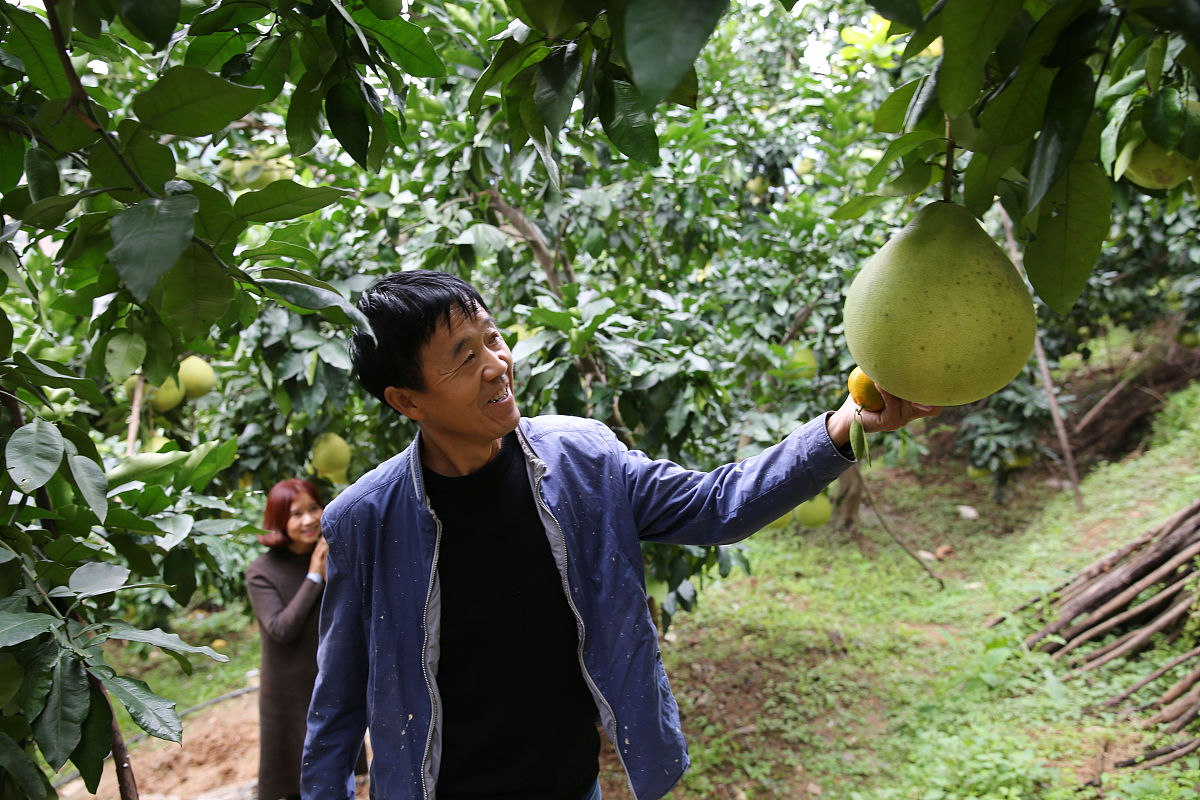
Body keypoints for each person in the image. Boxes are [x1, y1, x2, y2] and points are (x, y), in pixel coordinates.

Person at [300, 270, 940, 800]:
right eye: (464, 357)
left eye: (492, 338)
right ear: (407, 401)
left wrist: (843, 425)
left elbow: (719, 505)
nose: (497, 364)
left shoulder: (583, 460)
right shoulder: (364, 520)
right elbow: (336, 707)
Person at [246, 478, 368, 800]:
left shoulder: (334, 552)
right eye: (296, 513)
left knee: (340, 768)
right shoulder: (261, 572)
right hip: (288, 692)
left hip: (331, 676)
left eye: (313, 508)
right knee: (296, 779)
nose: (309, 519)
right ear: (278, 521)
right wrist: (315, 574)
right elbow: (281, 629)